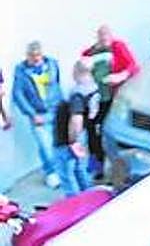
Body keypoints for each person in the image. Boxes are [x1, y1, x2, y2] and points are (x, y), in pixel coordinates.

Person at [80, 25, 139, 175]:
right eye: (102, 37)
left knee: (112, 130)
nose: (105, 40)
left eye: (107, 37)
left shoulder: (118, 47)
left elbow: (133, 66)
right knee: (92, 129)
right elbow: (81, 72)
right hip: (96, 97)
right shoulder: (89, 53)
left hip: (114, 97)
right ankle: (96, 164)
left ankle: (118, 165)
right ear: (98, 37)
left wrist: (121, 76)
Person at [11, 42, 63, 189]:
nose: (35, 59)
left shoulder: (52, 64)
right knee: (45, 145)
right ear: (27, 56)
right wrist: (32, 114)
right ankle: (51, 172)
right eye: (32, 56)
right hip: (38, 114)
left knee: (59, 141)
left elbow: (56, 84)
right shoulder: (21, 71)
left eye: (38, 56)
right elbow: (18, 94)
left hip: (55, 109)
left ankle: (62, 170)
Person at [51, 60, 98, 197]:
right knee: (80, 170)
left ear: (76, 72)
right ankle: (90, 199)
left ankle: (75, 205)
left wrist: (72, 141)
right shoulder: (93, 88)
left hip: (67, 140)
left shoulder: (77, 93)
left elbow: (77, 119)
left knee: (66, 175)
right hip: (82, 135)